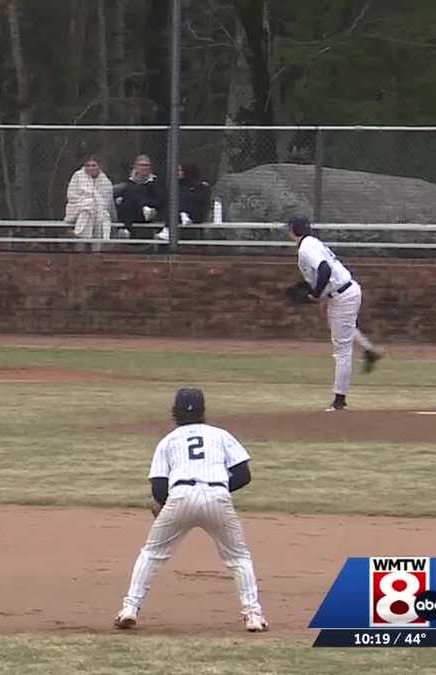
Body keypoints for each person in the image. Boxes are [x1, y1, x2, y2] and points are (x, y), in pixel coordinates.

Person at [114, 388, 268, 633]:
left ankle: (130, 609)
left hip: (180, 496)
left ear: (174, 411)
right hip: (218, 495)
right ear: (203, 410)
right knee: (238, 558)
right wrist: (216, 488)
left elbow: (159, 488)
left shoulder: (168, 441)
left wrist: (166, 506)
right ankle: (253, 616)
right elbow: (243, 475)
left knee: (152, 554)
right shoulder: (220, 435)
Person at [287, 216, 384, 411]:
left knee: (341, 349)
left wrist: (315, 295)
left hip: (343, 294)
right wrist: (322, 296)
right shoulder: (312, 242)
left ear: (293, 231)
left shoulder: (306, 248)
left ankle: (340, 400)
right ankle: (369, 350)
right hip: (343, 292)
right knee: (344, 332)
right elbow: (322, 273)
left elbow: (324, 270)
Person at [114, 154, 167, 241]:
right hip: (134, 213)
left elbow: (159, 200)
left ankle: (125, 228)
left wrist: (145, 204)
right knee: (128, 199)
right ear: (135, 166)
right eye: (141, 165)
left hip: (151, 213)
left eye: (147, 165)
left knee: (131, 195)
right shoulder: (129, 182)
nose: (144, 167)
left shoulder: (156, 182)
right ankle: (125, 229)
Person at [64, 156, 117, 240]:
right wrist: (87, 200)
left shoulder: (105, 182)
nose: (90, 168)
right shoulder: (77, 176)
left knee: (101, 216)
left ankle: (81, 234)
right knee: (88, 206)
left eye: (93, 165)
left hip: (98, 210)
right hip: (78, 208)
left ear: (99, 167)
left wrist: (95, 202)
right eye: (88, 165)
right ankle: (80, 234)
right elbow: (71, 195)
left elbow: (106, 203)